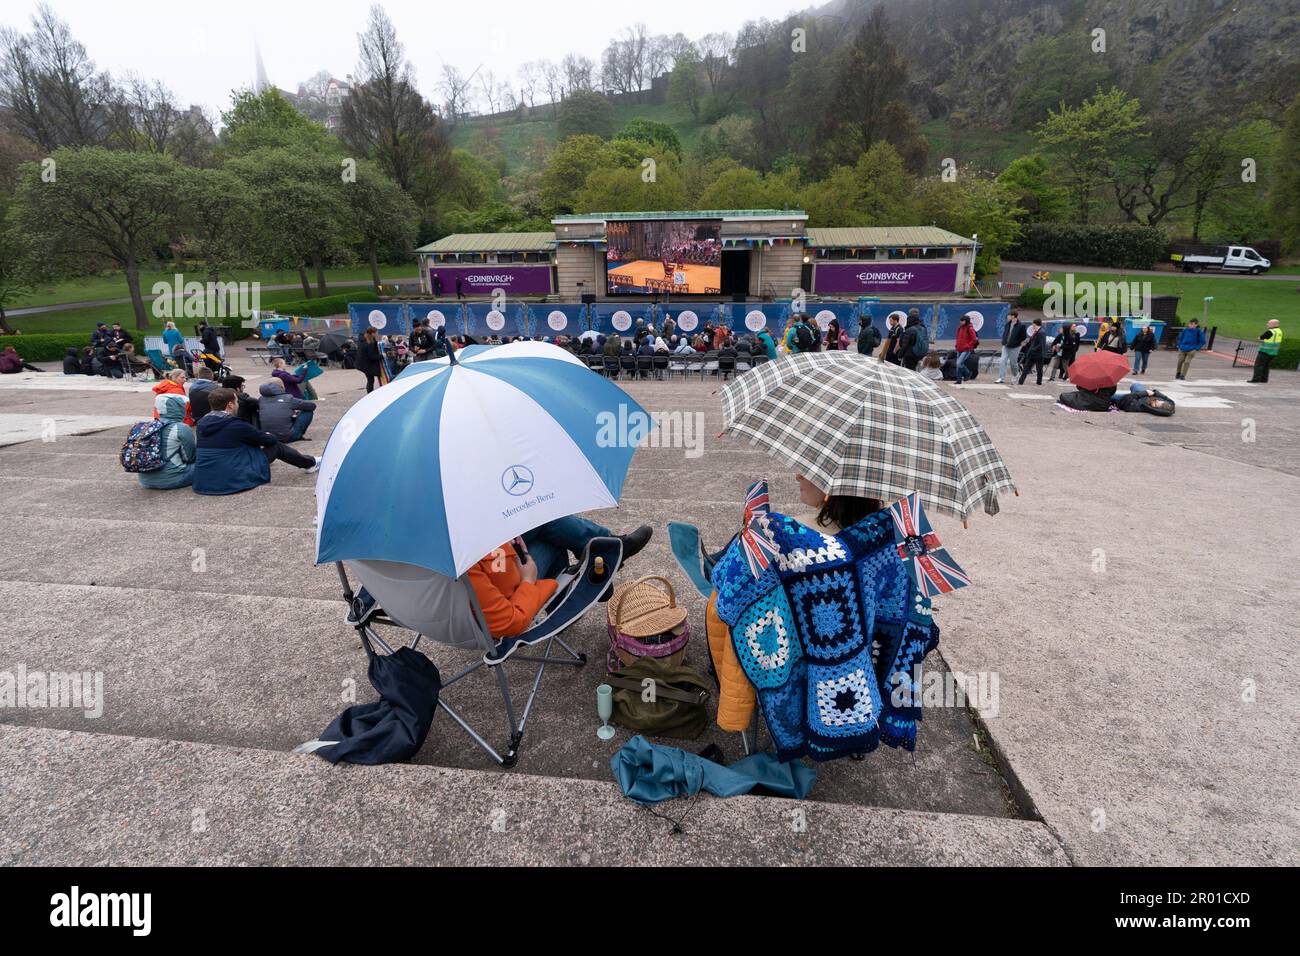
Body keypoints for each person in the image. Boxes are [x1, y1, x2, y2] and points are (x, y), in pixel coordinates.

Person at [468, 520, 653, 640]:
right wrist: (527, 579)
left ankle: (606, 551)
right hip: (509, 597)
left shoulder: (447, 546)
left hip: (494, 569)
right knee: (547, 528)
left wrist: (503, 541)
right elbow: (508, 623)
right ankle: (607, 551)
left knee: (538, 519)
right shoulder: (464, 567)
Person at [193, 387, 318, 495]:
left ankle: (310, 462)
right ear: (230, 405)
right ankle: (310, 463)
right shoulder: (236, 425)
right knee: (276, 446)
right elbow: (269, 441)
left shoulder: (202, 424)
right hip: (232, 481)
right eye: (236, 401)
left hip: (204, 481)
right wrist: (267, 435)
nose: (238, 404)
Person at [139, 394, 196, 490]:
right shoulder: (181, 428)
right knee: (206, 464)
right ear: (179, 408)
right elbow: (190, 458)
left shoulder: (146, 427)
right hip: (173, 479)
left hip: (144, 481)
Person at [1250, 319, 1283, 383]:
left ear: (1274, 324)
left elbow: (1260, 338)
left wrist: (1261, 340)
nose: (1267, 324)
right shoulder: (1279, 331)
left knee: (1258, 365)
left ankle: (1256, 379)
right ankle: (1264, 380)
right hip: (1273, 352)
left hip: (1265, 351)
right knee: (1266, 366)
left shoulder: (1270, 331)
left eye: (1269, 323)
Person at [998, 310, 1027, 383]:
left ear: (1013, 316)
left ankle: (1015, 375)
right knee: (1002, 361)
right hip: (1005, 346)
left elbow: (1023, 337)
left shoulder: (1021, 325)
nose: (1007, 317)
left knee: (1013, 363)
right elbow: (1005, 333)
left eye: (1008, 315)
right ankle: (1001, 378)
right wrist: (1004, 341)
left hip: (1015, 347)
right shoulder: (1007, 324)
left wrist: (1015, 342)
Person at [1017, 319, 1048, 385]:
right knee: (1026, 368)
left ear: (1035, 324)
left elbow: (1041, 344)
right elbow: (1033, 342)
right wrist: (1028, 344)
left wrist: (1033, 349)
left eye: (1033, 324)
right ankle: (1020, 381)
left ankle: (1039, 382)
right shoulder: (1036, 332)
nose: (1032, 325)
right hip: (1032, 354)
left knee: (1039, 369)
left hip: (1038, 354)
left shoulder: (1041, 332)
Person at [953, 314, 978, 384]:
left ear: (966, 321)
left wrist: (967, 346)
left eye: (962, 321)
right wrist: (956, 345)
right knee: (959, 364)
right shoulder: (960, 328)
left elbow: (974, 339)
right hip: (959, 348)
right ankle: (959, 379)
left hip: (966, 349)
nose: (960, 322)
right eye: (960, 321)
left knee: (959, 363)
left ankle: (967, 374)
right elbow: (958, 337)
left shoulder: (970, 328)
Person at [356, 327, 383, 393]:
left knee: (370, 379)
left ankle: (370, 393)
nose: (377, 334)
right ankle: (370, 394)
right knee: (371, 380)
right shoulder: (369, 343)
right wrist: (382, 356)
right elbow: (372, 356)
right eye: (376, 333)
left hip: (362, 363)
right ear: (372, 333)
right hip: (366, 364)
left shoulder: (364, 339)